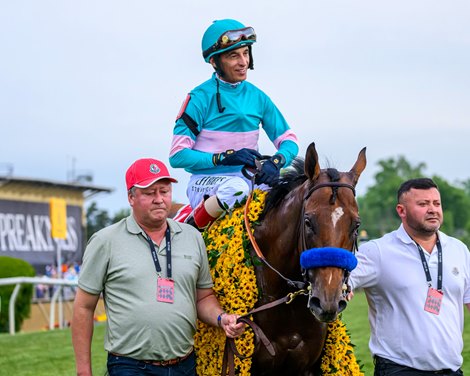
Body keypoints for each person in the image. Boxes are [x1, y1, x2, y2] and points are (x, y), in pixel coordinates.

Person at [72, 158, 244, 376]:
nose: (159, 199)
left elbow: (203, 297)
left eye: (164, 191)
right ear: (131, 197)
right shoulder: (105, 241)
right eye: (149, 193)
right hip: (130, 367)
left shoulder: (192, 236)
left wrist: (222, 318)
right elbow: (83, 307)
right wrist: (83, 371)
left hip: (185, 364)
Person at [169, 18, 299, 229]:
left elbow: (289, 140)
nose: (243, 62)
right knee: (237, 188)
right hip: (206, 182)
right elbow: (177, 156)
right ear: (214, 62)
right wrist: (223, 158)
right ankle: (191, 231)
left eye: (246, 53)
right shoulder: (199, 97)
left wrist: (276, 162)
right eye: (233, 56)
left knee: (291, 196)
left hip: (250, 180)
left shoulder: (258, 97)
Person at [349, 178, 470, 375]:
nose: (432, 209)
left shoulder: (458, 249)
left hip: (452, 369)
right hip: (399, 369)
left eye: (436, 203)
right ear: (401, 211)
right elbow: (340, 282)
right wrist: (343, 289)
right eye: (423, 204)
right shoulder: (378, 251)